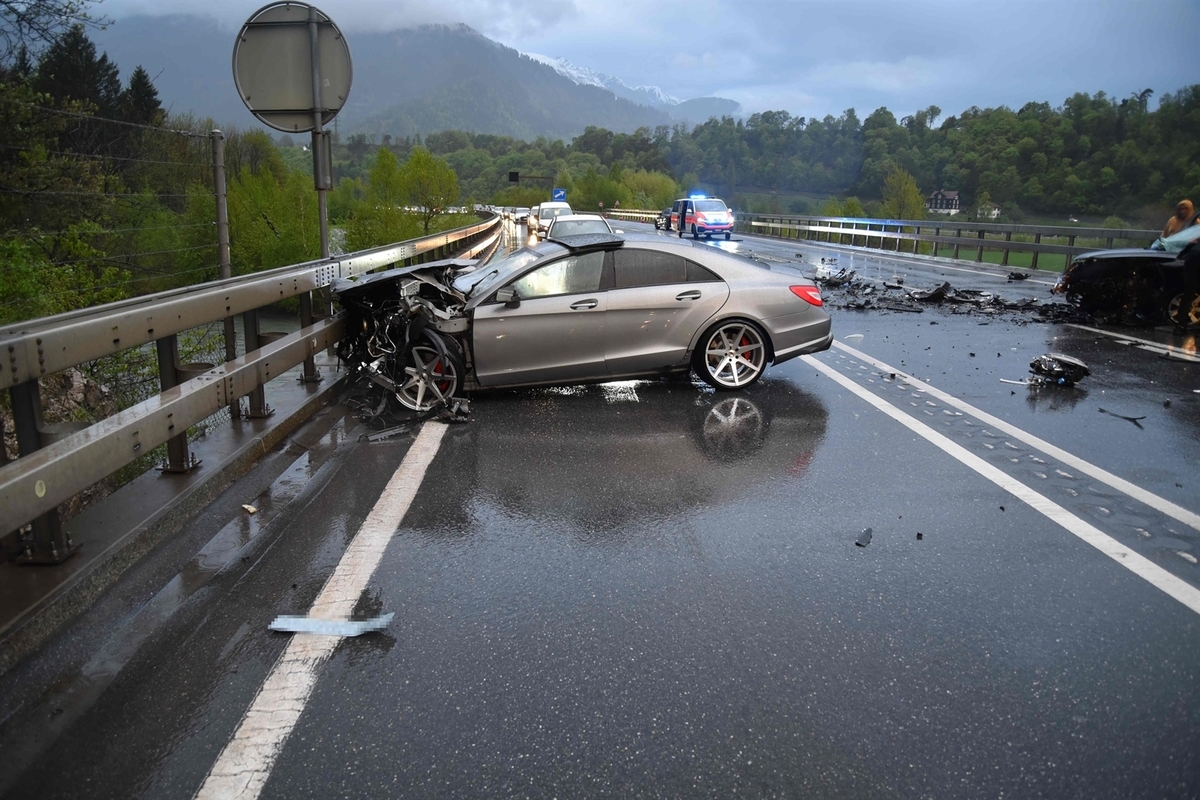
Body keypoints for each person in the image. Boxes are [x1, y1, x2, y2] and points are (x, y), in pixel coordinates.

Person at [1175, 236, 1200, 336]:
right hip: (1194, 260)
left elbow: (1190, 245)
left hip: (1192, 261)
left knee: (1188, 294)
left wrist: (1180, 256)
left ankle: (1181, 326)